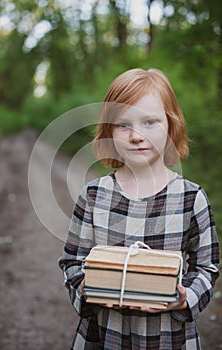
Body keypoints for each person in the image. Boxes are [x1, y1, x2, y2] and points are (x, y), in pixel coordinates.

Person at [58, 68, 220, 350]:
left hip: (168, 336)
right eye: (123, 125)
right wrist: (87, 289)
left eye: (149, 122)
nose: (136, 136)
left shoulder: (190, 198)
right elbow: (73, 261)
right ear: (108, 131)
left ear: (171, 126)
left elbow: (207, 267)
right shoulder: (94, 195)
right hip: (105, 333)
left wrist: (186, 297)